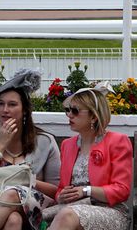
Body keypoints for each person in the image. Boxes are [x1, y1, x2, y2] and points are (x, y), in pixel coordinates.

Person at [0, 68, 61, 230]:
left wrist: (25, 180)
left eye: (12, 104)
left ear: (24, 110)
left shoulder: (45, 141)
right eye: (1, 104)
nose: (5, 110)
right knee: (13, 220)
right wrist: (0, 146)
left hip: (33, 210)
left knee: (11, 193)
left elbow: (57, 191)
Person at [47, 83, 132, 230]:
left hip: (110, 210)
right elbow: (62, 188)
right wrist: (61, 196)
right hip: (72, 208)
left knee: (67, 215)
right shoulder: (67, 145)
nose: (69, 115)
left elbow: (122, 190)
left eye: (75, 111)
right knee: (35, 215)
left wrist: (86, 190)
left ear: (93, 116)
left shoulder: (117, 141)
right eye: (68, 110)